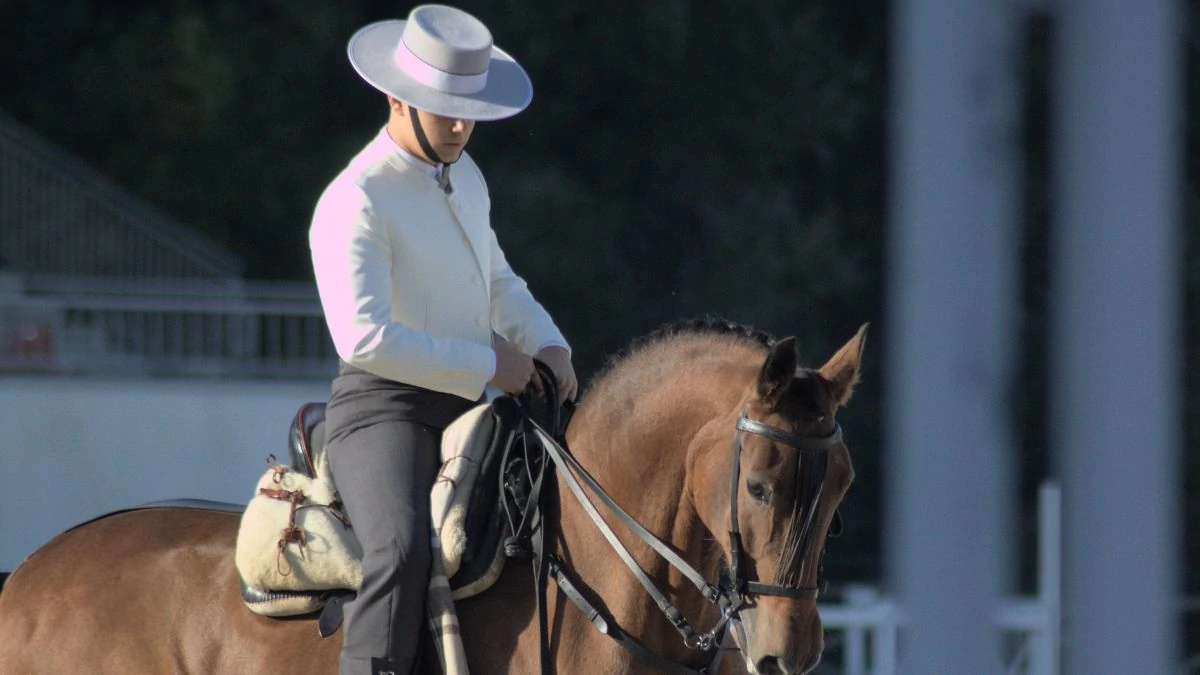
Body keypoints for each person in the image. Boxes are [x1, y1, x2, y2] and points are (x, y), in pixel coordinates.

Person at [308, 5, 577, 674]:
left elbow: (498, 282)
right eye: (444, 108)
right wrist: (494, 362)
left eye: (470, 110)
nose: (461, 125)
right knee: (399, 550)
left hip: (470, 402)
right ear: (397, 98)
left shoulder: (467, 178)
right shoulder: (356, 198)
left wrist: (549, 345)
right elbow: (365, 338)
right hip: (383, 411)